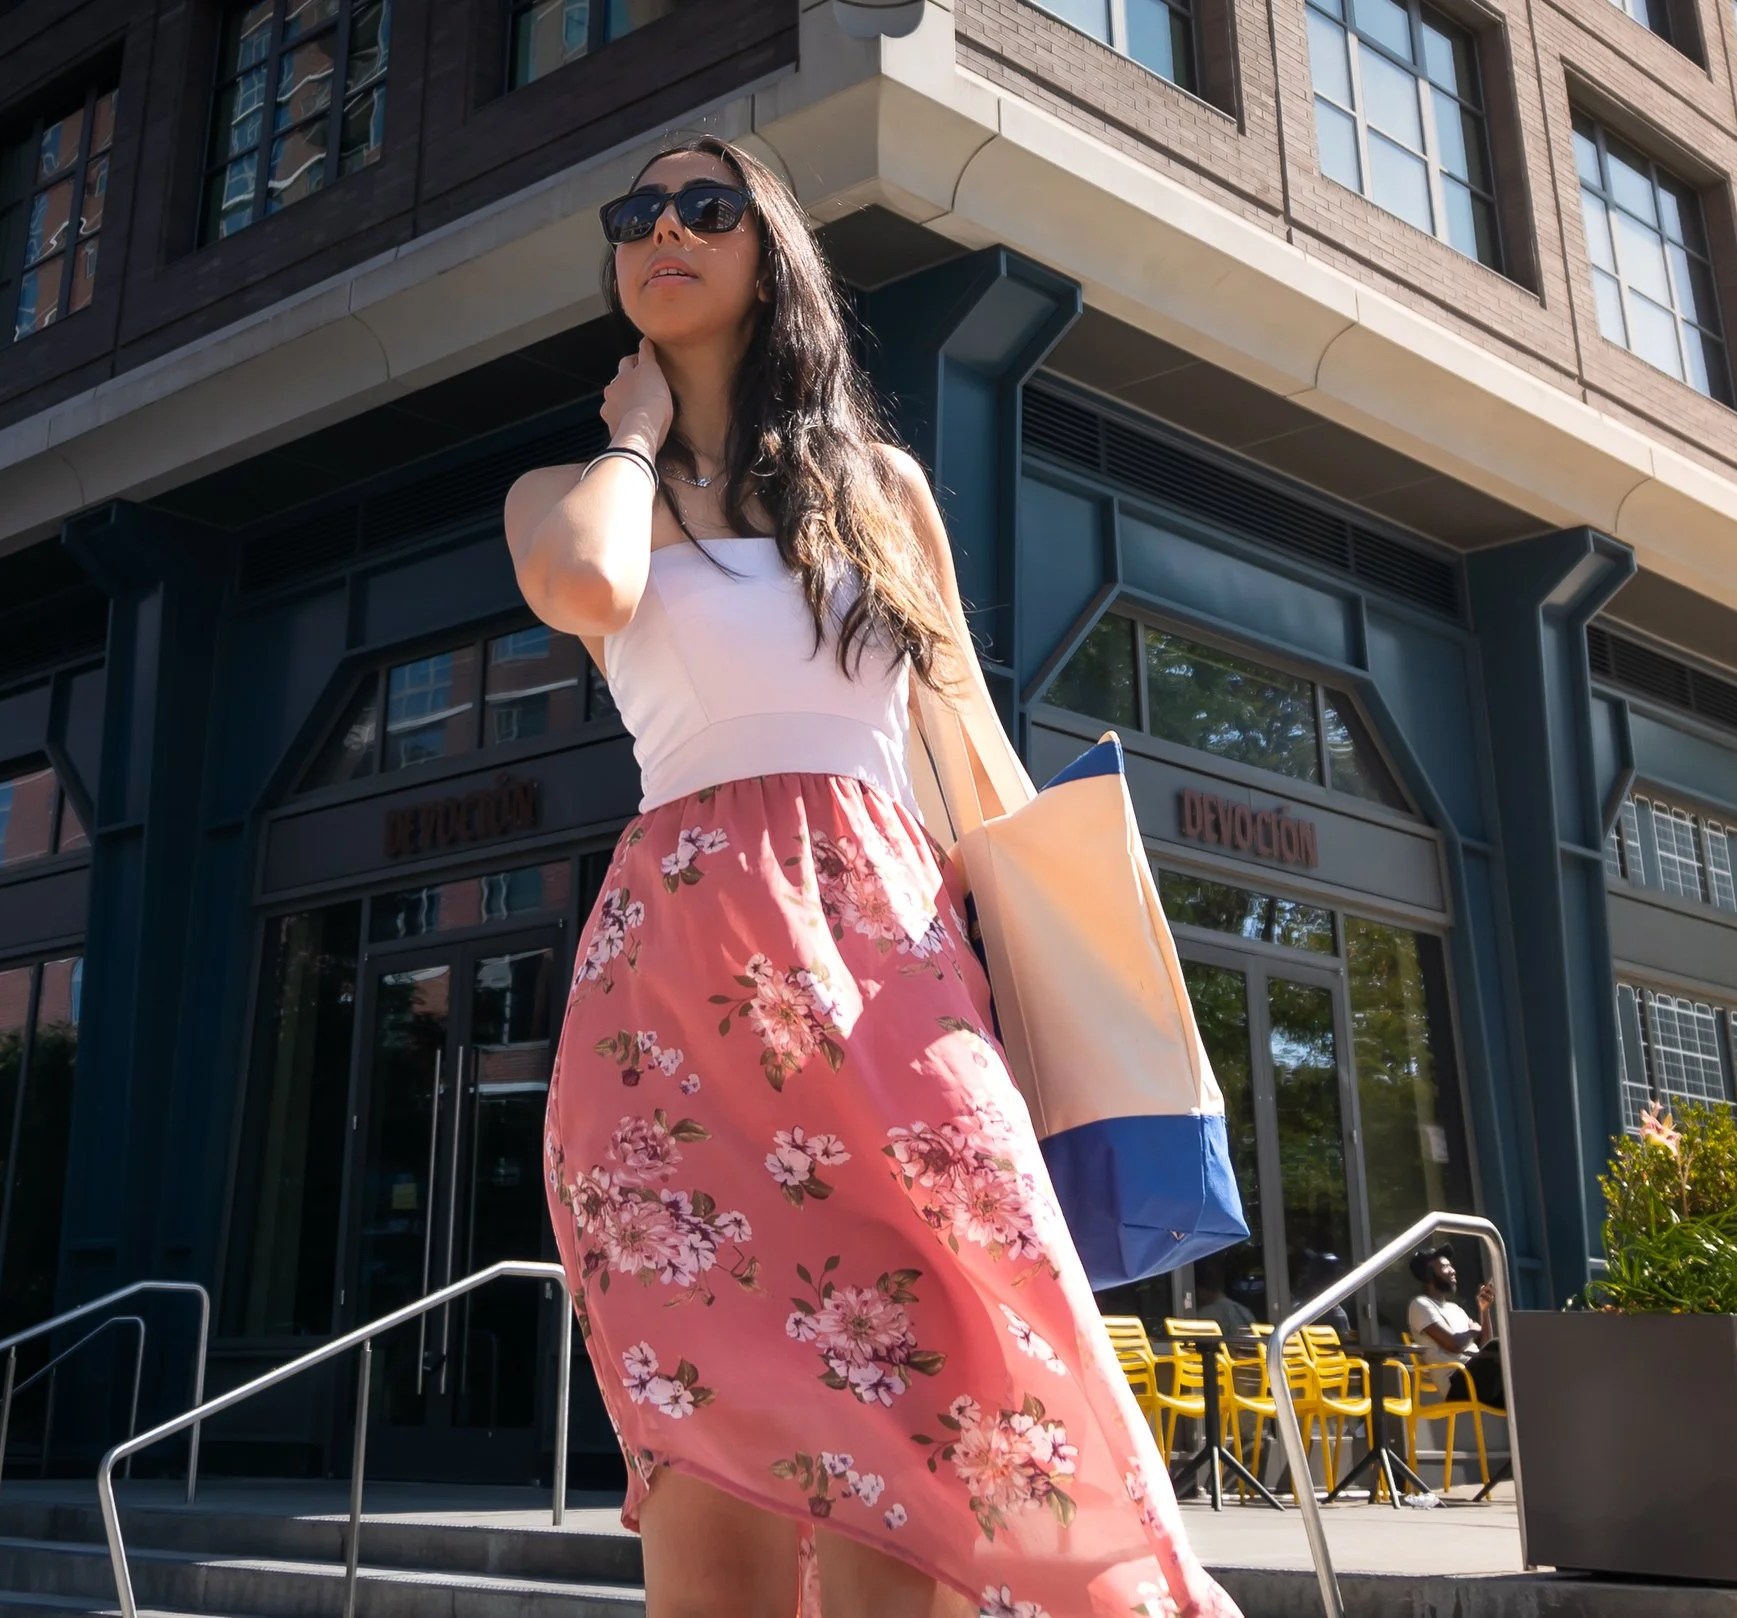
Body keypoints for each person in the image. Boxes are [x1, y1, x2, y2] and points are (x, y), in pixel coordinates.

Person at [506, 135, 1241, 1618]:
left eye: (704, 206)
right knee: (711, 1489)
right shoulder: (580, 492)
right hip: (675, 1019)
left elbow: (967, 744)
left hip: (890, 977)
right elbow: (585, 590)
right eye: (632, 212)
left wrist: (1068, 966)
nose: (662, 228)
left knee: (917, 1473)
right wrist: (636, 434)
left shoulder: (884, 491)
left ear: (770, 248)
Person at [1406, 1246, 1505, 1409]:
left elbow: (1485, 1347)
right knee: (1499, 1347)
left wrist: (1484, 1311)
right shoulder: (1420, 1305)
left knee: (1522, 1392)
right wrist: (1473, 1331)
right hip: (1457, 1382)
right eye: (1445, 1266)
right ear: (1429, 1274)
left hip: (1477, 1378)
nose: (1453, 1271)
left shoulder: (1455, 1309)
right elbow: (1453, 1344)